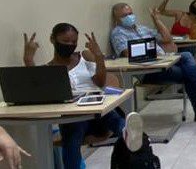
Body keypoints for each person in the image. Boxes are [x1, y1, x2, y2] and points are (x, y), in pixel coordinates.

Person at [22, 24, 124, 169]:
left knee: (120, 123)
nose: (70, 45)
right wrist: (28, 60)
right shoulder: (49, 69)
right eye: (65, 41)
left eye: (74, 42)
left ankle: (139, 149)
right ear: (52, 39)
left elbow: (101, 82)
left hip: (97, 110)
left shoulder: (84, 56)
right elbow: (37, 90)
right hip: (73, 117)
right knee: (72, 134)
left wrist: (98, 56)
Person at [109, 2, 196, 122]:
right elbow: (127, 53)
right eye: (125, 15)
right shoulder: (118, 33)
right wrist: (152, 52)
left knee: (186, 55)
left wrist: (156, 19)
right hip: (148, 71)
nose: (129, 17)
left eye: (130, 13)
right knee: (188, 74)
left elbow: (167, 38)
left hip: (163, 62)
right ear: (117, 18)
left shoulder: (141, 28)